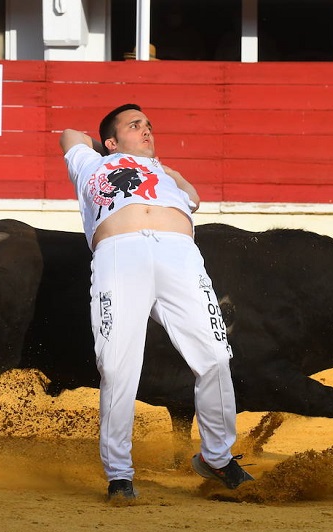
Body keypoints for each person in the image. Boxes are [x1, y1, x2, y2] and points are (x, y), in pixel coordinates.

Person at [58, 104, 254, 501]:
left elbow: (193, 199)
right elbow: (70, 134)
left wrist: (164, 168)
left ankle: (216, 458)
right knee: (116, 366)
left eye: (149, 125)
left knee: (215, 356)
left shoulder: (167, 175)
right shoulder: (89, 164)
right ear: (111, 141)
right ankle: (119, 474)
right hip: (119, 255)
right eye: (135, 125)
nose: (147, 130)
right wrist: (115, 154)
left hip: (179, 257)